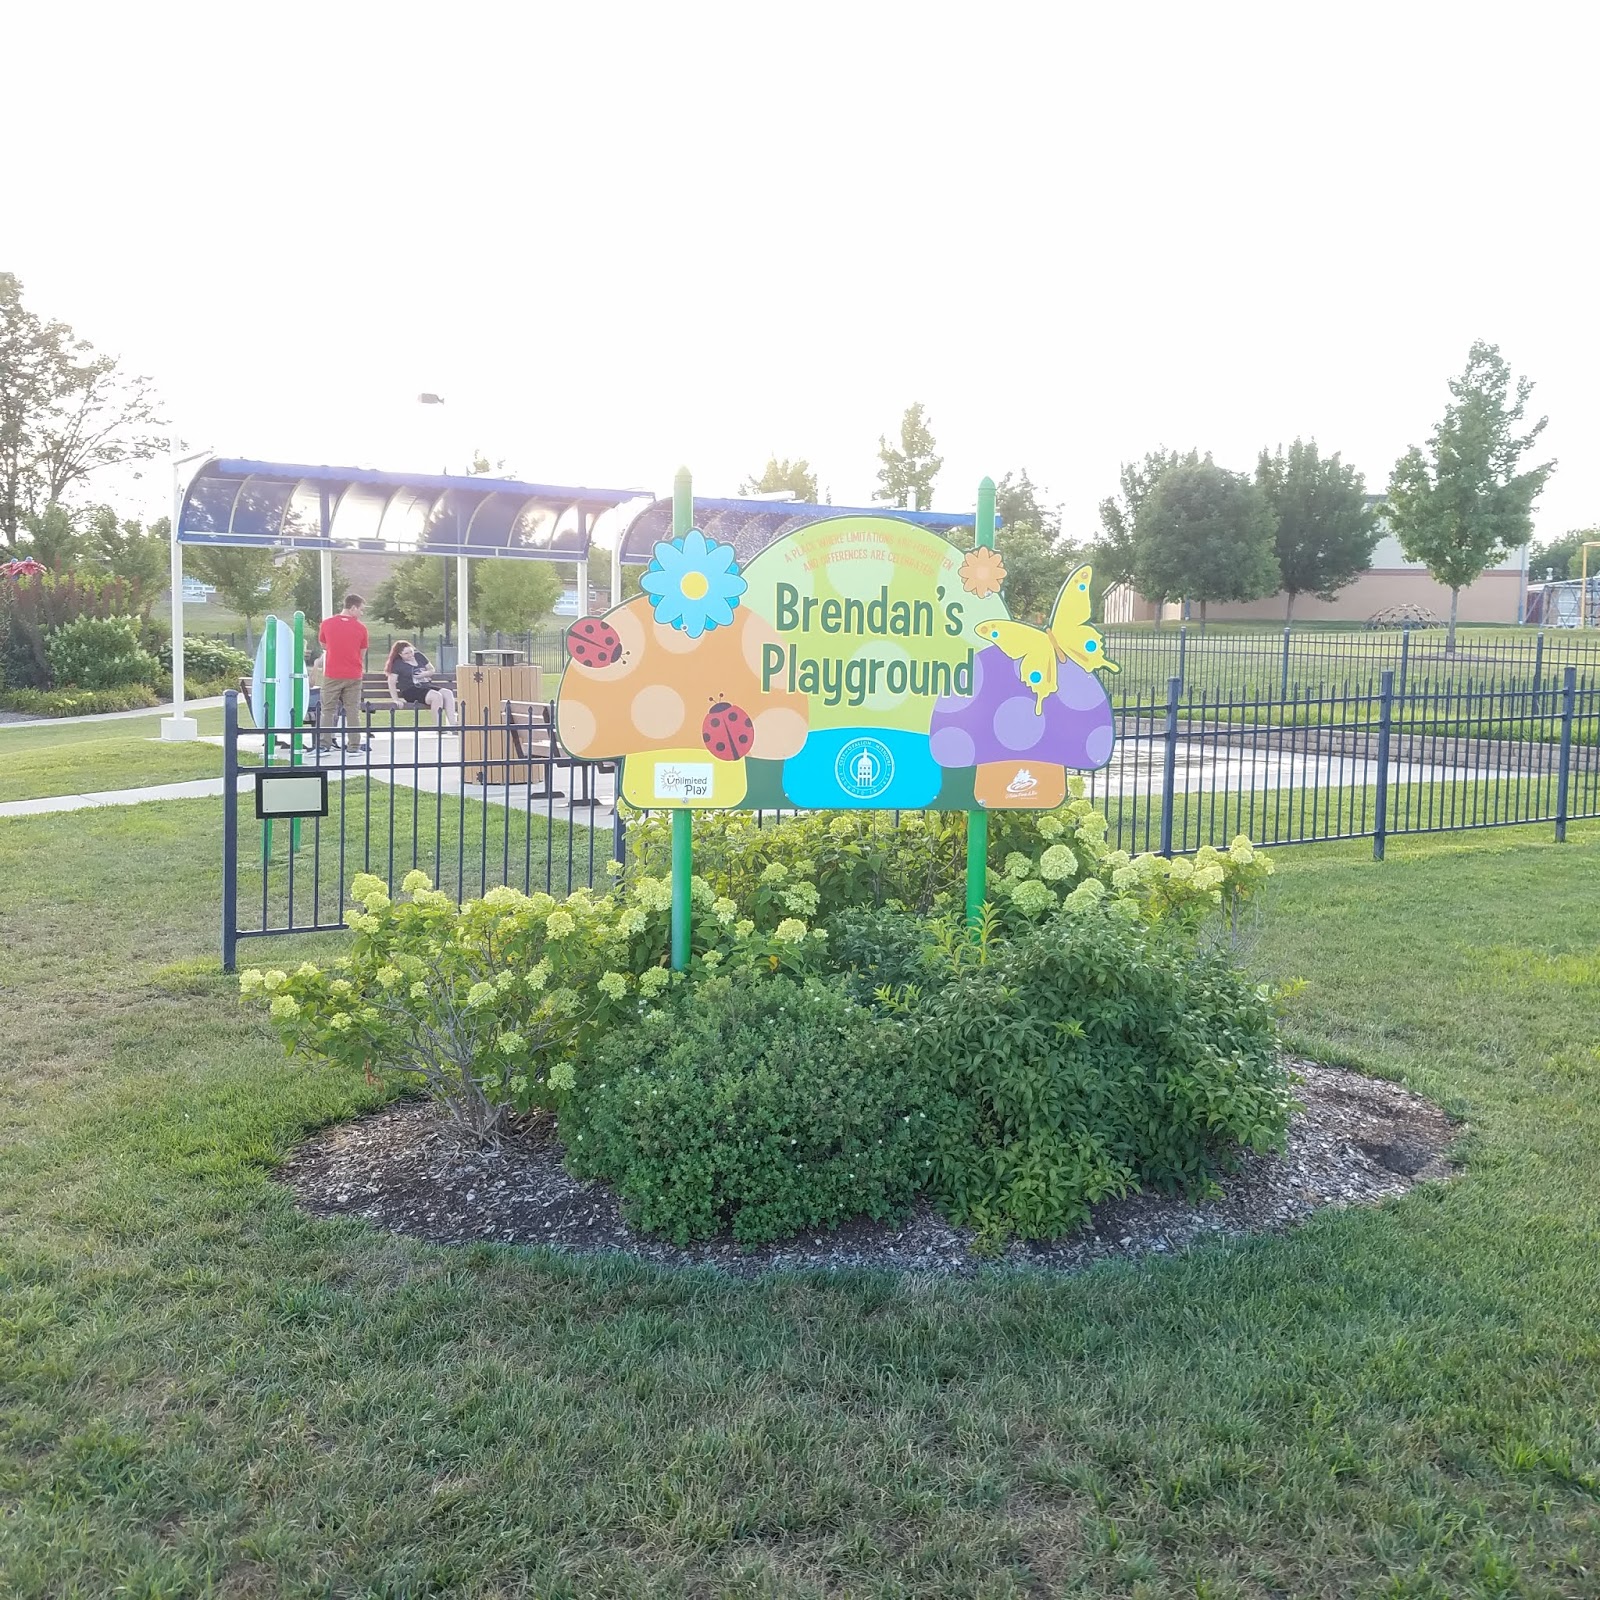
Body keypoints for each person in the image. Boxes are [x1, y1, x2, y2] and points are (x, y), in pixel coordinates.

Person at [317, 593, 368, 753]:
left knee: (328, 710)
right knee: (352, 710)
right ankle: (354, 746)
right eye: (361, 609)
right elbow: (362, 652)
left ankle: (325, 744)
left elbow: (324, 645)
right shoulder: (361, 628)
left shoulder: (326, 624)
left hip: (332, 673)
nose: (361, 613)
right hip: (354, 674)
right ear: (353, 608)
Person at [384, 639, 459, 727]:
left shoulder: (418, 656)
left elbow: (431, 669)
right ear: (400, 654)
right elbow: (391, 682)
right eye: (406, 653)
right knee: (436, 696)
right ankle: (438, 726)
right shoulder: (398, 664)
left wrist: (424, 674)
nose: (410, 655)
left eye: (411, 652)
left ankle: (453, 724)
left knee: (447, 693)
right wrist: (396, 699)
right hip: (410, 690)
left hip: (426, 685)